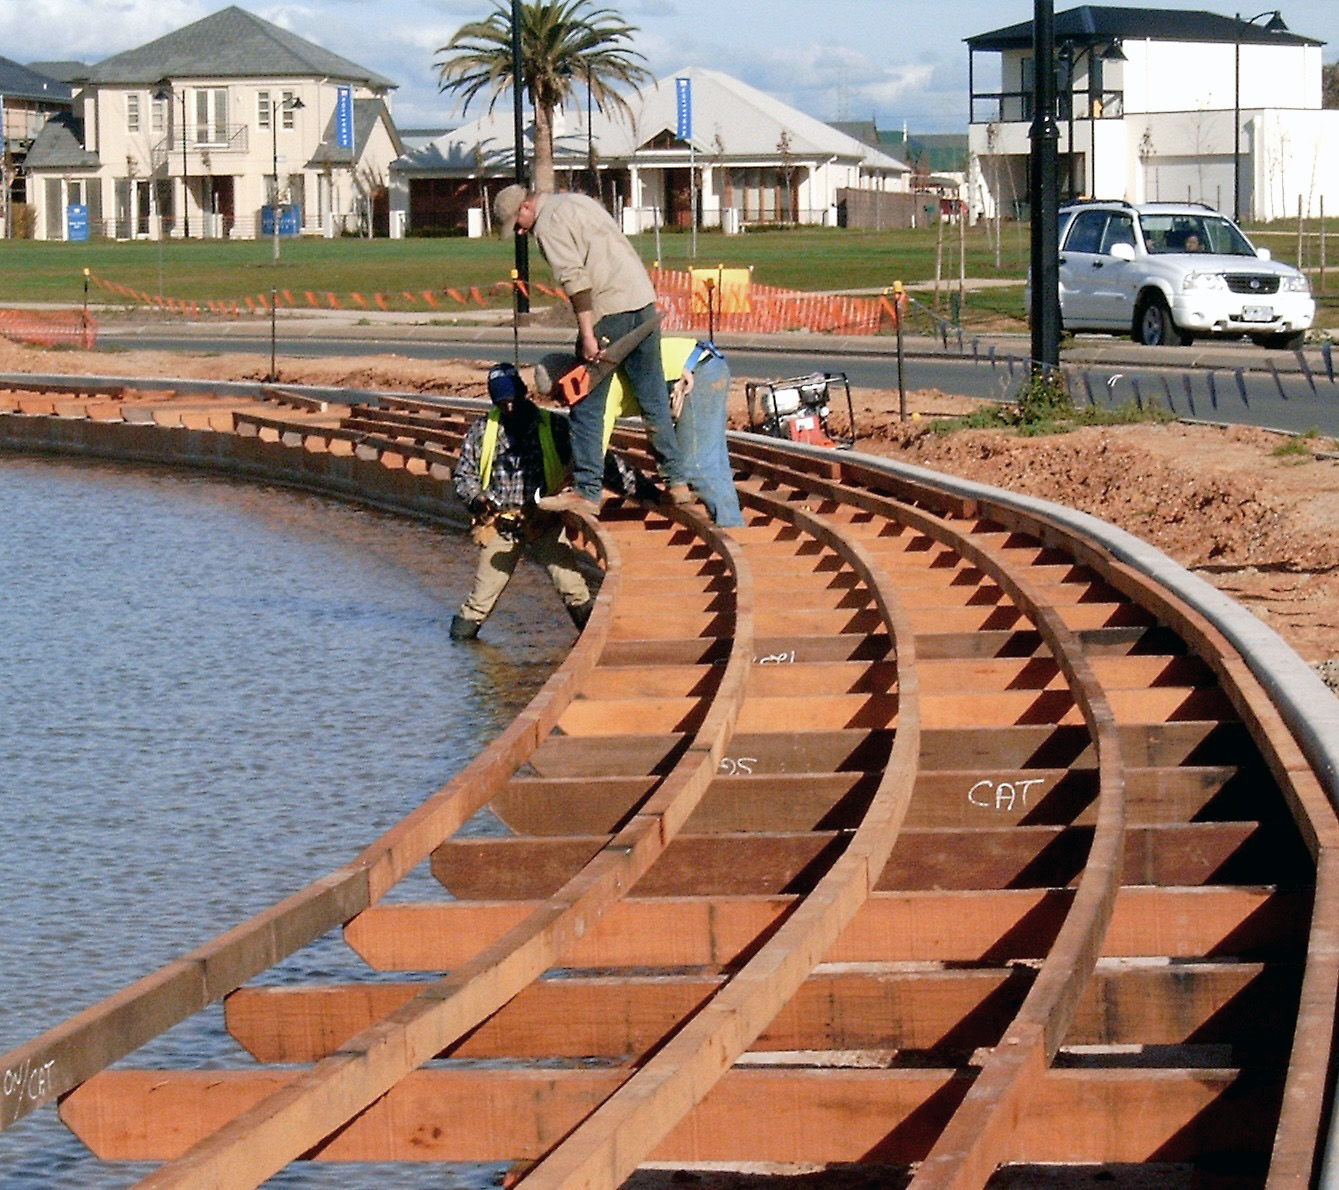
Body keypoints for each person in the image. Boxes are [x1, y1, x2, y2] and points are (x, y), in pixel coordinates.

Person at [493, 184, 694, 517]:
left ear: (526, 207)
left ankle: (587, 491)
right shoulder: (578, 202)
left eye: (517, 223)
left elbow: (576, 281)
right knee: (654, 398)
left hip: (607, 312)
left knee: (584, 401)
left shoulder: (548, 225)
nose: (518, 231)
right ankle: (677, 481)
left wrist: (587, 333)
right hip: (642, 302)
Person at [449, 362, 594, 641]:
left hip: (544, 521)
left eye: (512, 401)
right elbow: (463, 474)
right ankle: (462, 647)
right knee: (479, 601)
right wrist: (478, 500)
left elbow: (583, 462)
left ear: (524, 394)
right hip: (502, 525)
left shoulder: (553, 426)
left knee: (572, 588)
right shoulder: (482, 430)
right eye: (502, 403)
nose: (509, 408)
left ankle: (593, 642)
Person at [535, 336, 745, 528]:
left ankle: (732, 529)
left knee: (696, 465)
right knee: (714, 462)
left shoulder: (597, 393)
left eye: (559, 395)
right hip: (708, 364)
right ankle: (733, 524)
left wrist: (566, 489)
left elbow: (593, 454)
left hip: (697, 371)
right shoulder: (600, 373)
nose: (561, 403)